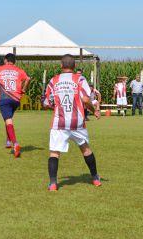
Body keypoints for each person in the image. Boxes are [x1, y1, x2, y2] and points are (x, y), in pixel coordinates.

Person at [43, 54, 101, 192]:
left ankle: (53, 183)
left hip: (59, 122)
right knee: (86, 149)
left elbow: (47, 103)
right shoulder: (80, 79)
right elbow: (87, 100)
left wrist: (55, 105)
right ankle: (95, 178)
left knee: (54, 153)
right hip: (77, 123)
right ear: (74, 67)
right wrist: (94, 111)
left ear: (61, 66)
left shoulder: (54, 81)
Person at [0, 53, 30, 157]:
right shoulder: (19, 70)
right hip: (16, 99)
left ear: (5, 60)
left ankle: (15, 143)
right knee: (8, 119)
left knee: (8, 120)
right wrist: (24, 89)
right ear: (14, 61)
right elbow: (28, 78)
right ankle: (8, 141)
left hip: (4, 99)